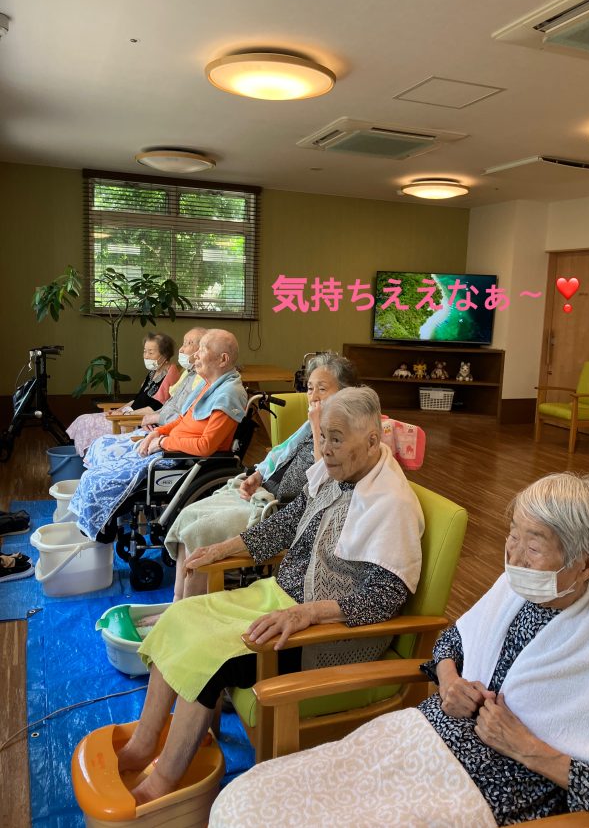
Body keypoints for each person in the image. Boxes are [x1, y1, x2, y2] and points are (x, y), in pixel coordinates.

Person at [209, 472, 589, 828]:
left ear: (586, 564)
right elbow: (455, 640)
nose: (514, 557)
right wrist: (449, 682)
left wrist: (527, 748)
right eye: (512, 536)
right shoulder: (515, 589)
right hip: (425, 735)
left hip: (487, 786)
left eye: (533, 546)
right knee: (245, 800)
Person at [115, 387, 424, 805]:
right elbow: (286, 523)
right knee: (178, 618)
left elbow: (384, 598)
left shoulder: (392, 503)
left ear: (372, 440)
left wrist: (308, 614)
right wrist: (224, 548)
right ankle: (144, 742)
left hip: (328, 636)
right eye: (322, 437)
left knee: (211, 655)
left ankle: (163, 781)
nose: (325, 449)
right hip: (279, 600)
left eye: (336, 439)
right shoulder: (336, 475)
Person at [164, 352, 359, 600]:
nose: (314, 396)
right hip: (261, 493)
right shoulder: (313, 423)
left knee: (200, 532)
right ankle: (177, 602)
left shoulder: (347, 432)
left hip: (279, 510)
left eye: (322, 389)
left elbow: (325, 486)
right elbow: (282, 451)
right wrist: (258, 474)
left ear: (345, 393)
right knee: (187, 515)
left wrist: (317, 426)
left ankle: (189, 609)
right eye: (310, 389)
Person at [69, 330, 246, 540]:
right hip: (171, 450)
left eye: (202, 349)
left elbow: (206, 446)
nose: (196, 355)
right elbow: (183, 420)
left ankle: (100, 532)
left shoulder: (228, 395)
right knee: (101, 466)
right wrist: (157, 433)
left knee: (97, 479)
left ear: (223, 359)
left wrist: (162, 442)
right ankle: (100, 527)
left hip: (184, 460)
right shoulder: (209, 385)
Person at [66, 332, 180, 455]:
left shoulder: (171, 373)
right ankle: (88, 458)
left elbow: (157, 408)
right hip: (127, 415)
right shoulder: (153, 372)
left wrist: (125, 414)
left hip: (133, 421)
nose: (146, 356)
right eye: (144, 351)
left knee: (86, 423)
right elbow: (138, 399)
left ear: (165, 354)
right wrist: (119, 410)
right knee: (82, 419)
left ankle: (89, 457)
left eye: (151, 352)